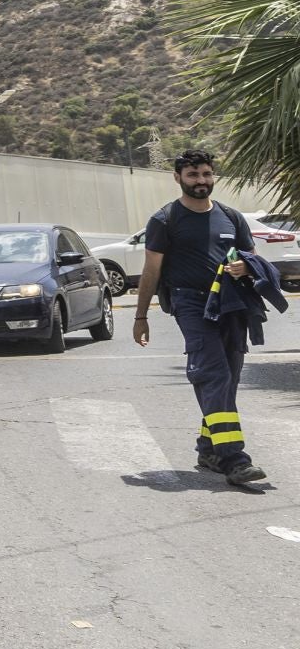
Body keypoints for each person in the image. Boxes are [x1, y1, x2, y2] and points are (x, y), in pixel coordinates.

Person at [134, 149, 269, 488]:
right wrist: (140, 316)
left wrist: (245, 267)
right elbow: (152, 269)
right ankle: (233, 458)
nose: (201, 181)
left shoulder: (231, 217)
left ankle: (208, 449)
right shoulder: (165, 219)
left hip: (230, 302)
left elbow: (251, 257)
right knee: (213, 372)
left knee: (230, 376)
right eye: (193, 175)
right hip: (189, 303)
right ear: (178, 177)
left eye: (206, 174)